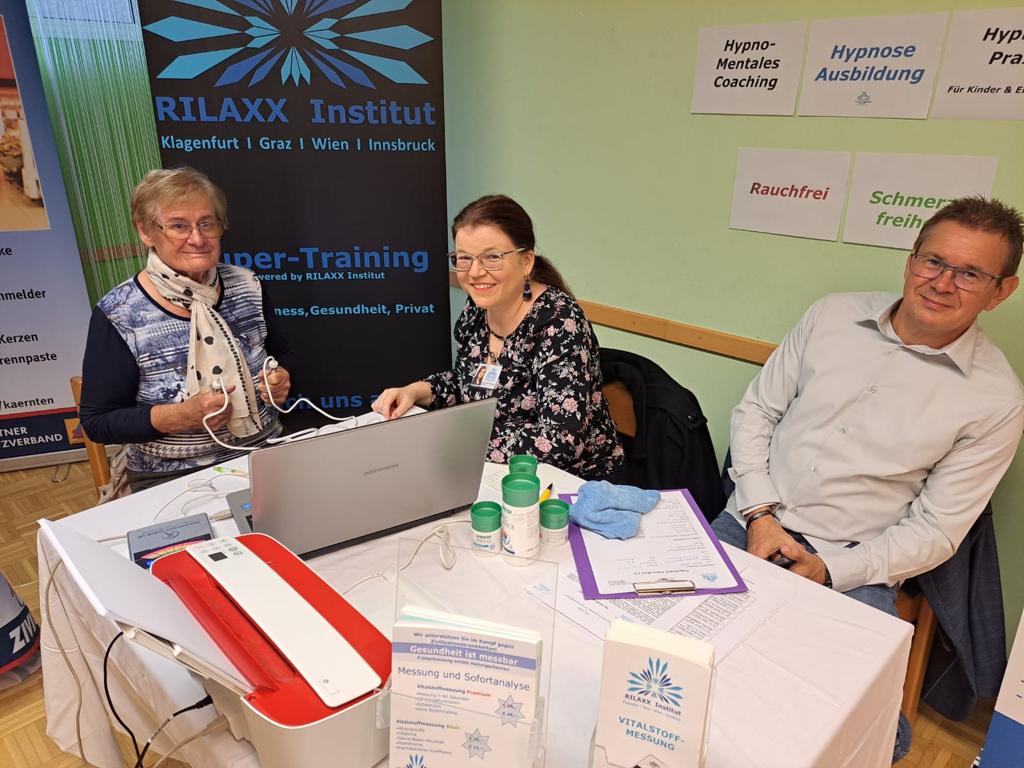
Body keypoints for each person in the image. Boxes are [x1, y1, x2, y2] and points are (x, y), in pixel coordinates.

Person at [711, 196, 1024, 762]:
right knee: (665, 649)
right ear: (911, 259)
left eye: (970, 274)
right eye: (933, 261)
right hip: (750, 521)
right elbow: (757, 413)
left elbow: (936, 531)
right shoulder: (832, 316)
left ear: (1001, 291)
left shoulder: (996, 399)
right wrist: (759, 516)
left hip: (853, 565)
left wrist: (830, 569)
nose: (941, 283)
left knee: (862, 729)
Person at [372, 194, 624, 480]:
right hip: (492, 468)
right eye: (464, 258)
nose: (475, 272)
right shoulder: (477, 308)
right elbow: (467, 383)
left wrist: (456, 438)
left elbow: (561, 440)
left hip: (572, 481)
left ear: (526, 261)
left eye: (492, 257)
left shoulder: (558, 322)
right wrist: (415, 392)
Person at [80, 168, 292, 492]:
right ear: (145, 231)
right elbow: (98, 423)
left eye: (207, 223)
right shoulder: (118, 313)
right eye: (179, 226)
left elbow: (283, 355)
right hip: (171, 476)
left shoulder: (248, 285)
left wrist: (280, 378)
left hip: (264, 453)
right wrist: (183, 415)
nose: (197, 239)